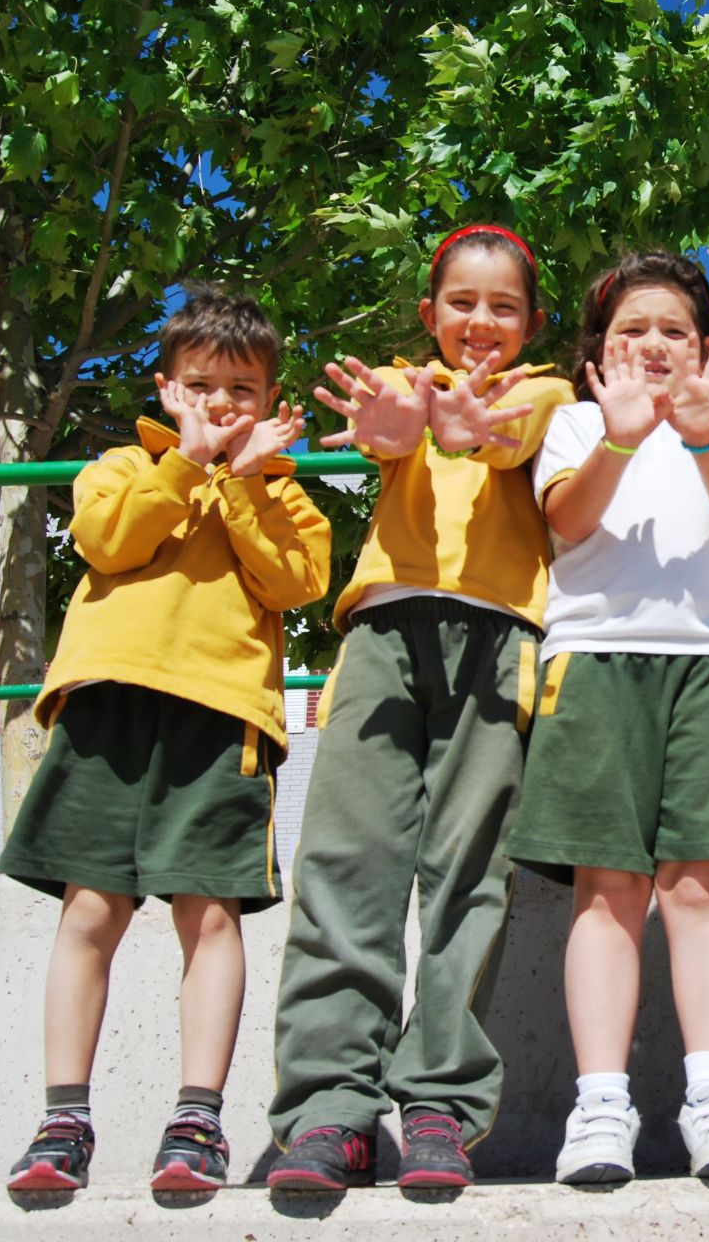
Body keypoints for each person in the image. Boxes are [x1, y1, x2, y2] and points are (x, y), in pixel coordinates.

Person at [2, 289, 331, 1193]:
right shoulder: (121, 464)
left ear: (270, 399)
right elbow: (108, 542)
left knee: (210, 911)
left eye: (242, 388)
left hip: (222, 714)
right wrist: (189, 462)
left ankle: (197, 1121)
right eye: (201, 385)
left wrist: (249, 483)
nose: (222, 404)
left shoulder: (289, 494)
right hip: (109, 702)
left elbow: (292, 583)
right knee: (92, 910)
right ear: (166, 387)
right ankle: (62, 1118)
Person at [267, 224, 574, 1191]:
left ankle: (438, 1102)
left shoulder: (548, 392)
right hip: (384, 634)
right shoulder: (398, 380)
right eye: (462, 303)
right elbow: (397, 421)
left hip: (500, 640)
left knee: (468, 875)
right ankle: (330, 1110)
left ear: (530, 324)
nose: (480, 322)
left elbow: (511, 433)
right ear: (429, 312)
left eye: (504, 307)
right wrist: (400, 428)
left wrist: (471, 429)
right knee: (346, 864)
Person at [504, 252, 709, 1186]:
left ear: (707, 346)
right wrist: (619, 441)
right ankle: (600, 1106)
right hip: (592, 660)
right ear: (600, 348)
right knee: (608, 889)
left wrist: (705, 439)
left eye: (674, 330)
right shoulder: (578, 422)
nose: (654, 345)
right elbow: (570, 524)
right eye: (632, 330)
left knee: (701, 887)